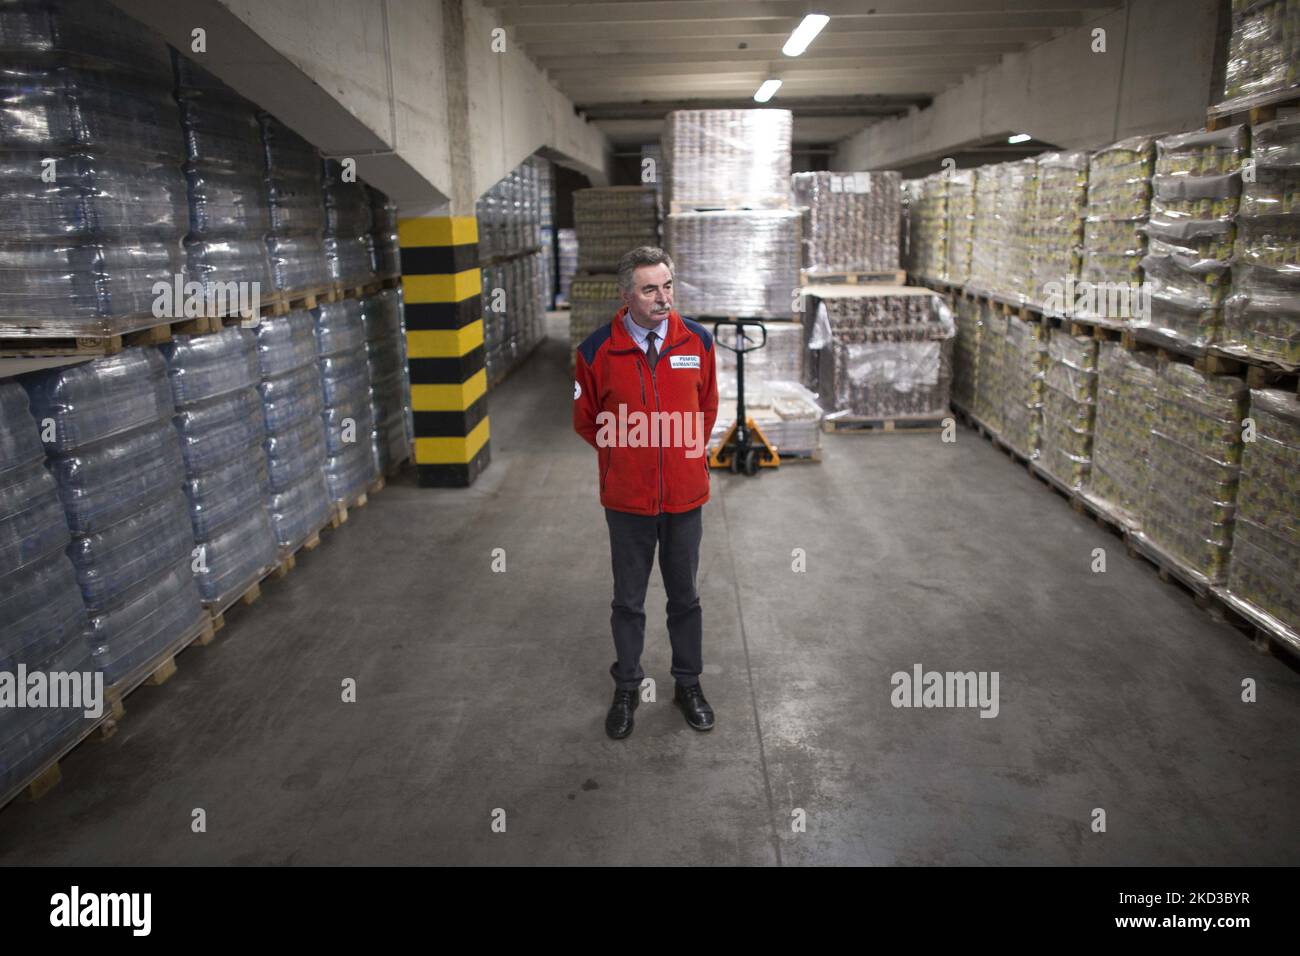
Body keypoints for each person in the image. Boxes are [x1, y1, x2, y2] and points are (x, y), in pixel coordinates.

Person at [572, 246, 719, 739]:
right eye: (650, 289)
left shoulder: (697, 342)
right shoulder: (595, 351)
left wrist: (682, 455)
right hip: (628, 503)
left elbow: (707, 409)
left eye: (668, 285)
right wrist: (627, 456)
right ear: (626, 295)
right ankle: (627, 687)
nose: (663, 298)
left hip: (684, 498)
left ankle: (688, 684)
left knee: (686, 598)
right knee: (628, 602)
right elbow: (587, 420)